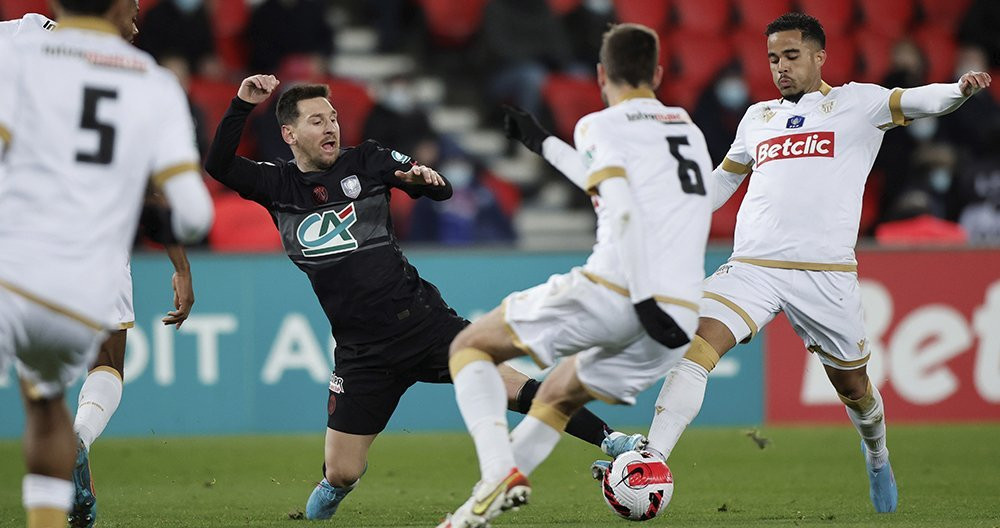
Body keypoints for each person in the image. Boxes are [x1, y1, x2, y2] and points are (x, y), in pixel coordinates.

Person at [526, 12, 991, 515]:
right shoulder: (758, 118)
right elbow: (723, 182)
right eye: (773, 58)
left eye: (791, 55)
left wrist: (959, 90)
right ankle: (652, 458)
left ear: (819, 56)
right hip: (753, 266)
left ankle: (877, 453)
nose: (781, 67)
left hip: (824, 273)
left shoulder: (858, 102)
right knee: (695, 347)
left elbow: (919, 100)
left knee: (855, 389)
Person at [203, 76, 641, 520]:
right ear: (290, 134)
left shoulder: (367, 159)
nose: (331, 127)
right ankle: (330, 492)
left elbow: (436, 187)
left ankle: (613, 441)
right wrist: (241, 104)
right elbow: (218, 165)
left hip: (424, 323)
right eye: (317, 120)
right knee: (341, 472)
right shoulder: (277, 185)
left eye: (333, 117)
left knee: (514, 386)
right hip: (362, 352)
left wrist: (423, 181)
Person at [438, 23, 712, 528]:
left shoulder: (600, 124)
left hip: (620, 290)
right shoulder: (687, 131)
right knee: (559, 394)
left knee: (469, 348)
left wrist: (642, 300)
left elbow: (622, 208)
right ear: (657, 72)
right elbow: (614, 183)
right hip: (679, 315)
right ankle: (468, 518)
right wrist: (541, 142)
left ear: (602, 75)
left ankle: (499, 471)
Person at [0, 0, 213, 526]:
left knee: (41, 393)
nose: (139, 22)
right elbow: (188, 209)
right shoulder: (151, 83)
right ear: (114, 8)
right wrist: (182, 264)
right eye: (134, 9)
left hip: (17, 239)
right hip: (94, 248)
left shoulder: (18, 43)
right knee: (98, 367)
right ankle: (80, 438)